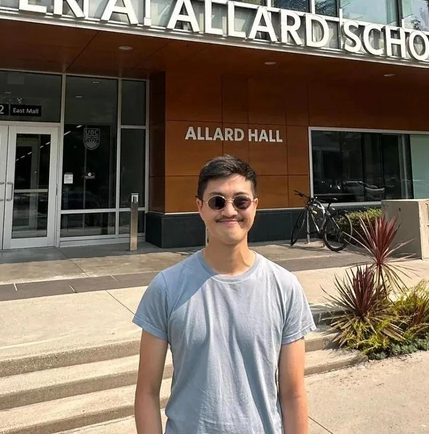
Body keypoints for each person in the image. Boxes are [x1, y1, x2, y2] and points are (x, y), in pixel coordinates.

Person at [134, 155, 315, 434]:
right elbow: (147, 392)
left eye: (241, 201)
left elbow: (293, 394)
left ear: (255, 206)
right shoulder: (166, 287)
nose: (229, 211)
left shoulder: (285, 287)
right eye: (217, 201)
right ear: (200, 207)